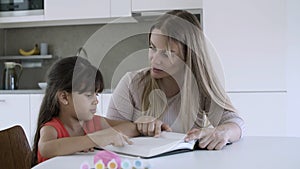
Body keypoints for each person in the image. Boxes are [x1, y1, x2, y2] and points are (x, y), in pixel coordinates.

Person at [106, 10, 245, 150]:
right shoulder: (132, 83)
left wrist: (222, 132)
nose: (155, 60)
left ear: (188, 56)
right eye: (152, 48)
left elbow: (235, 123)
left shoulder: (200, 86)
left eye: (166, 54)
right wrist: (137, 127)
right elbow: (107, 132)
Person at [31, 56, 137, 166]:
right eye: (89, 95)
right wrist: (95, 139)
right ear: (64, 97)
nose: (96, 101)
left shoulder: (92, 123)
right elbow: (46, 148)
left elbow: (131, 127)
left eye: (96, 94)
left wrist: (142, 125)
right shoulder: (52, 128)